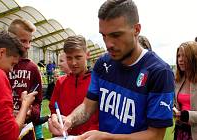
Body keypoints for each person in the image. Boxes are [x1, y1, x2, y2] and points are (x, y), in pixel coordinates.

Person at [49, 0, 174, 140]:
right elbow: (87, 107)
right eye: (104, 35)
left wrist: (109, 137)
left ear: (136, 30)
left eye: (116, 35)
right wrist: (69, 120)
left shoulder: (159, 72)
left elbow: (156, 135)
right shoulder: (103, 64)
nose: (108, 44)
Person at [0, 31, 37, 140]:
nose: (11, 70)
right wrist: (25, 105)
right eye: (12, 64)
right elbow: (8, 135)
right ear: (1, 53)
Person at [48, 35, 99, 136]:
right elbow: (53, 108)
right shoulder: (60, 82)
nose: (73, 63)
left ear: (87, 55)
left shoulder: (97, 81)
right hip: (63, 136)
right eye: (69, 58)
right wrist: (54, 119)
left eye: (78, 57)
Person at [7, 18, 43, 140]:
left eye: (30, 41)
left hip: (26, 133)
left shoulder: (32, 68)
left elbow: (38, 101)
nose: (27, 46)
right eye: (23, 41)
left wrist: (30, 112)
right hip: (3, 129)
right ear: (10, 39)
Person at [173, 41, 197, 140]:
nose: (180, 60)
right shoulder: (178, 80)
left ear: (194, 58)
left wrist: (185, 115)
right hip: (180, 131)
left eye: (185, 56)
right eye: (179, 56)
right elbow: (176, 103)